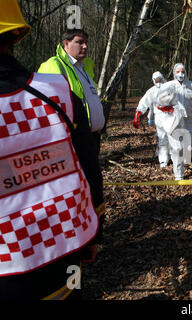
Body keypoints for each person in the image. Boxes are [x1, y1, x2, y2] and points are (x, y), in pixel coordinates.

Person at [0, 0, 101, 299]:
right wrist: (95, 229)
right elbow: (88, 167)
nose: (84, 47)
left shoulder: (70, 79)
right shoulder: (54, 85)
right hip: (66, 243)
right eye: (79, 42)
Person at [38, 29, 105, 221]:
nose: (84, 46)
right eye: (79, 42)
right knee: (76, 187)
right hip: (72, 141)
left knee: (91, 185)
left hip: (91, 138)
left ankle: (90, 223)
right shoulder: (53, 66)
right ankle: (77, 226)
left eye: (86, 42)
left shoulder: (84, 67)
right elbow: (46, 106)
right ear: (66, 44)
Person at [133, 71, 169, 167]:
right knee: (162, 138)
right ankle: (163, 159)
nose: (158, 82)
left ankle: (171, 156)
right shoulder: (152, 91)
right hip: (159, 117)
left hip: (172, 116)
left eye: (160, 79)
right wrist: (138, 113)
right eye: (156, 80)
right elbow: (144, 102)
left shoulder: (171, 88)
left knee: (171, 137)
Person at [167, 63, 192, 161]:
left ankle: (185, 160)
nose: (180, 74)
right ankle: (176, 162)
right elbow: (161, 102)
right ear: (174, 73)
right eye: (178, 72)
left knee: (189, 144)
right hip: (174, 119)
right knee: (176, 143)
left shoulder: (191, 86)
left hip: (189, 118)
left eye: (182, 71)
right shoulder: (169, 86)